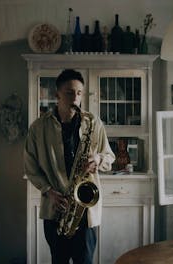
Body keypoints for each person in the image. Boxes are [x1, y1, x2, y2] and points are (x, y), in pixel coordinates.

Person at [24, 69, 115, 264]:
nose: (76, 98)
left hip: (85, 210)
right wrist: (49, 192)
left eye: (79, 93)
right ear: (57, 95)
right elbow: (31, 168)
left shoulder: (93, 122)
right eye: (69, 92)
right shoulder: (38, 128)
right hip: (55, 209)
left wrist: (98, 159)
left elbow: (110, 156)